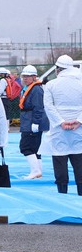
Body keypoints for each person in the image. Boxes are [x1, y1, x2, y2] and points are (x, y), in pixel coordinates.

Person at [42, 54, 82, 195]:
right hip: (79, 130)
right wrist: (78, 120)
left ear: (58, 69)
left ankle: (62, 195)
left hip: (59, 131)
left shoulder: (51, 85)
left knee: (60, 162)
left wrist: (60, 122)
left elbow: (48, 106)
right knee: (79, 162)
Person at [18, 65, 49, 179]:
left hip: (31, 121)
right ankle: (38, 171)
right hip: (29, 120)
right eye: (24, 76)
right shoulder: (30, 88)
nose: (25, 78)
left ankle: (35, 171)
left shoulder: (35, 89)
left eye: (28, 76)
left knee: (26, 146)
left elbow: (38, 107)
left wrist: (35, 122)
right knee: (36, 148)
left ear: (34, 77)